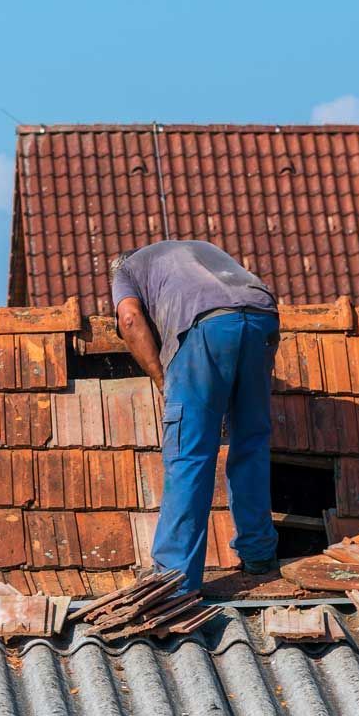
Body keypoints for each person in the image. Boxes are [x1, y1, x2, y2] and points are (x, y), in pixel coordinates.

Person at [111, 240, 279, 592]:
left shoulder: (125, 270)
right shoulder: (199, 250)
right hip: (262, 315)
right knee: (251, 442)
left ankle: (175, 580)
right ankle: (259, 555)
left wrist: (162, 381)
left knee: (189, 452)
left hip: (205, 326)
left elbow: (129, 319)